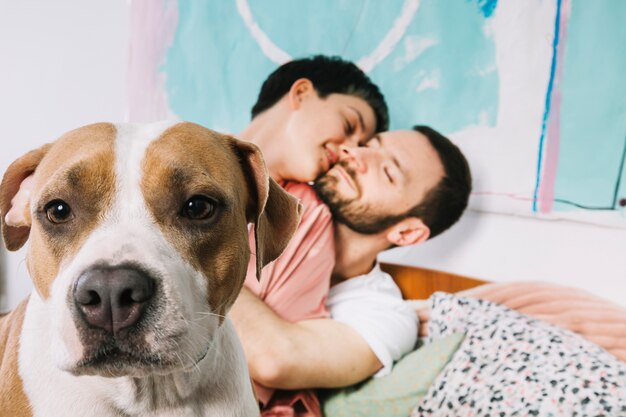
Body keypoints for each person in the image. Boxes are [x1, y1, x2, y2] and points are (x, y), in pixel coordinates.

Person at [231, 126, 472, 415]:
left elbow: (276, 360)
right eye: (369, 144)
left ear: (407, 233)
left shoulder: (385, 316)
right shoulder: (268, 203)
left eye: (388, 172)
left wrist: (191, 270)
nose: (355, 154)